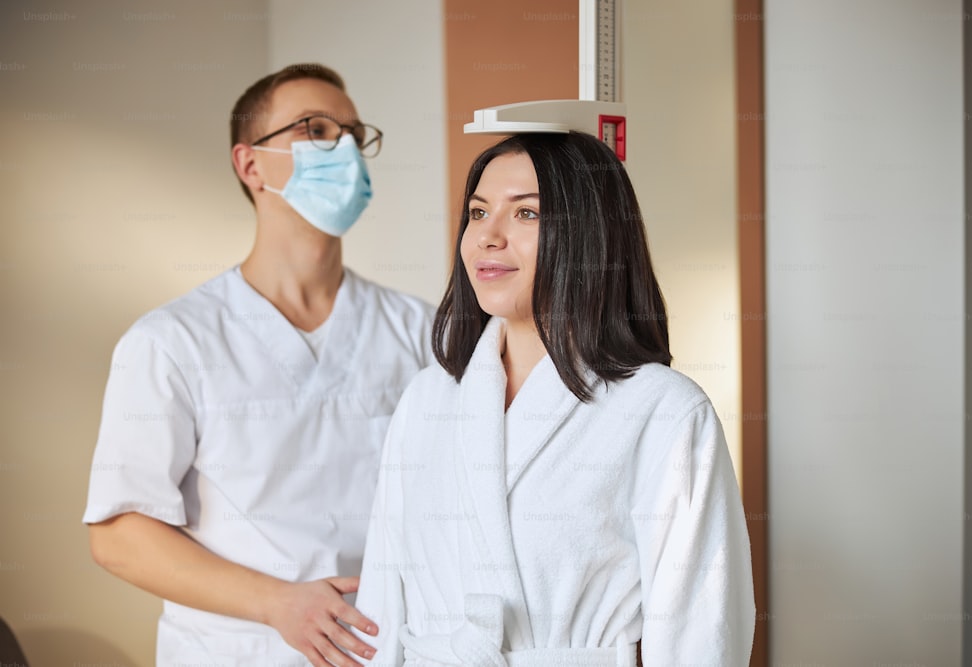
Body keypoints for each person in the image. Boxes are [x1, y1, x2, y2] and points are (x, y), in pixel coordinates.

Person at [352, 132, 755, 666]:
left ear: (590, 236)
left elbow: (700, 630)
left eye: (526, 215)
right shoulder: (426, 399)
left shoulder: (664, 411)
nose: (488, 237)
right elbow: (383, 598)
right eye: (478, 212)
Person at [83, 63, 434, 667]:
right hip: (237, 652)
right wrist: (279, 604)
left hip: (388, 650)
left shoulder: (421, 331)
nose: (344, 149)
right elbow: (118, 536)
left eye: (354, 134)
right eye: (316, 130)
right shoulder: (172, 342)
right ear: (250, 165)